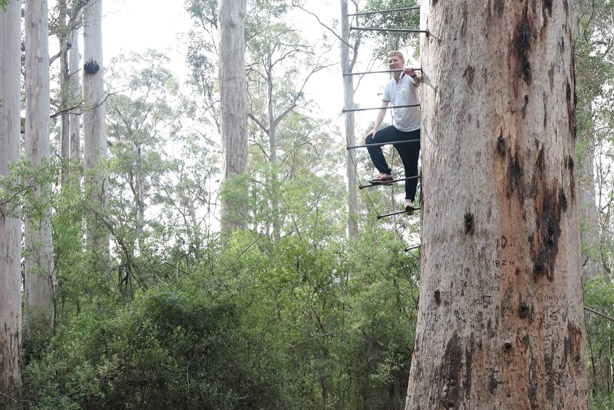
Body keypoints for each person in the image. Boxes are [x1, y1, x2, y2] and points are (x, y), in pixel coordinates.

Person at [365, 50, 421, 214]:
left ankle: (408, 200)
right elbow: (383, 108)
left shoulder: (409, 79)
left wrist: (413, 74)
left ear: (402, 62)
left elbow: (417, 81)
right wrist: (375, 128)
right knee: (371, 140)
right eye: (390, 61)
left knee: (410, 168)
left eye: (395, 60)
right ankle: (385, 173)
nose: (392, 63)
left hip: (414, 131)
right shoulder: (389, 86)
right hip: (398, 129)